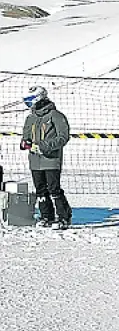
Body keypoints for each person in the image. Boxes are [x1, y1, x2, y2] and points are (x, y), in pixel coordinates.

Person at [20, 86, 72, 229]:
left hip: (51, 160)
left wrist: (43, 146)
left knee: (54, 189)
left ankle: (64, 217)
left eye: (30, 102)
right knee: (40, 190)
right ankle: (46, 216)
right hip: (35, 161)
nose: (28, 105)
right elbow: (25, 136)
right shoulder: (30, 118)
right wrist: (25, 143)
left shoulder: (56, 116)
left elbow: (63, 137)